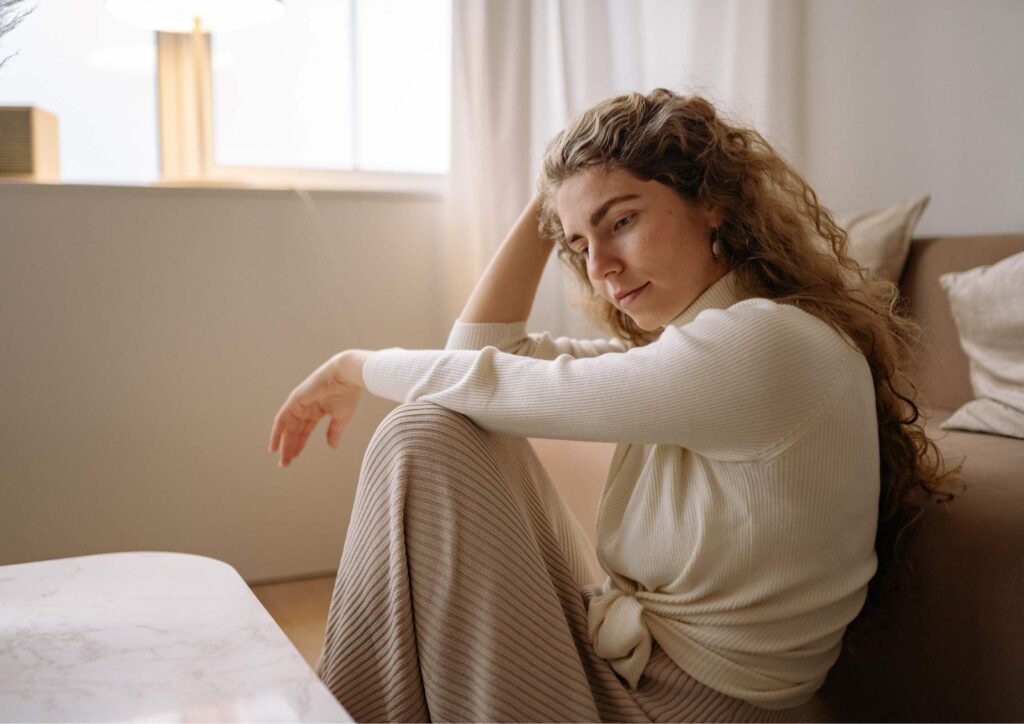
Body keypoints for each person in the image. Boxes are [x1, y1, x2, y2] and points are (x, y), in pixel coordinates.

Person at [267, 88, 963, 723]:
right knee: (430, 427)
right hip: (632, 672)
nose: (598, 266)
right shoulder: (709, 341)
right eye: (578, 244)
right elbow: (478, 356)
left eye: (621, 221)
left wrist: (354, 366)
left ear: (713, 200)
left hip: (680, 712)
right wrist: (558, 200)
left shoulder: (766, 344)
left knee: (418, 430)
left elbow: (490, 381)